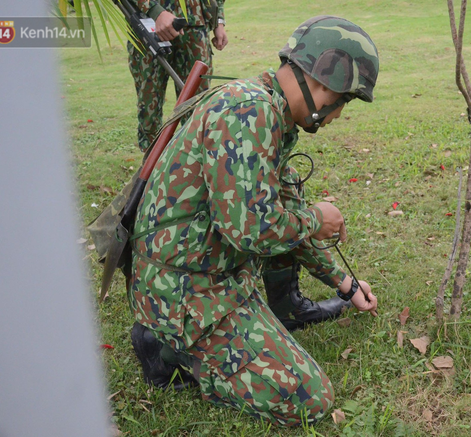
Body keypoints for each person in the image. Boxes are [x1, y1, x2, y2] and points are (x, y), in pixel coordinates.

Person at [128, 15, 380, 426]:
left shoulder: (268, 110)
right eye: (345, 102)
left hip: (208, 273)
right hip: (185, 294)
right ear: (324, 86)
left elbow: (278, 213)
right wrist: (316, 218)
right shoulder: (249, 113)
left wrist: (344, 283)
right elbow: (252, 231)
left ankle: (282, 310)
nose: (338, 115)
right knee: (309, 398)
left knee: (289, 206)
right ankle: (168, 349)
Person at [128, 0, 228, 152]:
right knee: (149, 106)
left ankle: (191, 165)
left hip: (195, 25)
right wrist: (155, 11)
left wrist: (218, 20)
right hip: (148, 23)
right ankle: (150, 168)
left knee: (197, 105)